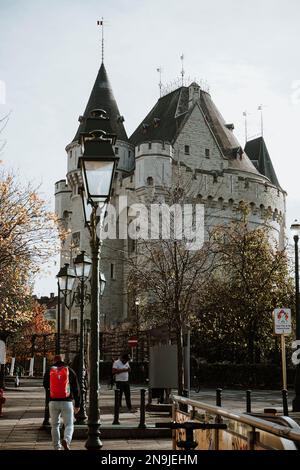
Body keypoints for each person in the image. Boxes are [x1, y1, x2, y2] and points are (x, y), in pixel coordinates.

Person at [43, 354, 81, 450]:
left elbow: (45, 385)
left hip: (53, 402)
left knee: (55, 425)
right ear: (63, 360)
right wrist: (77, 404)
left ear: (54, 361)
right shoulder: (69, 370)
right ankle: (66, 440)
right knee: (69, 424)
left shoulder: (49, 370)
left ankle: (57, 447)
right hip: (67, 401)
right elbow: (76, 389)